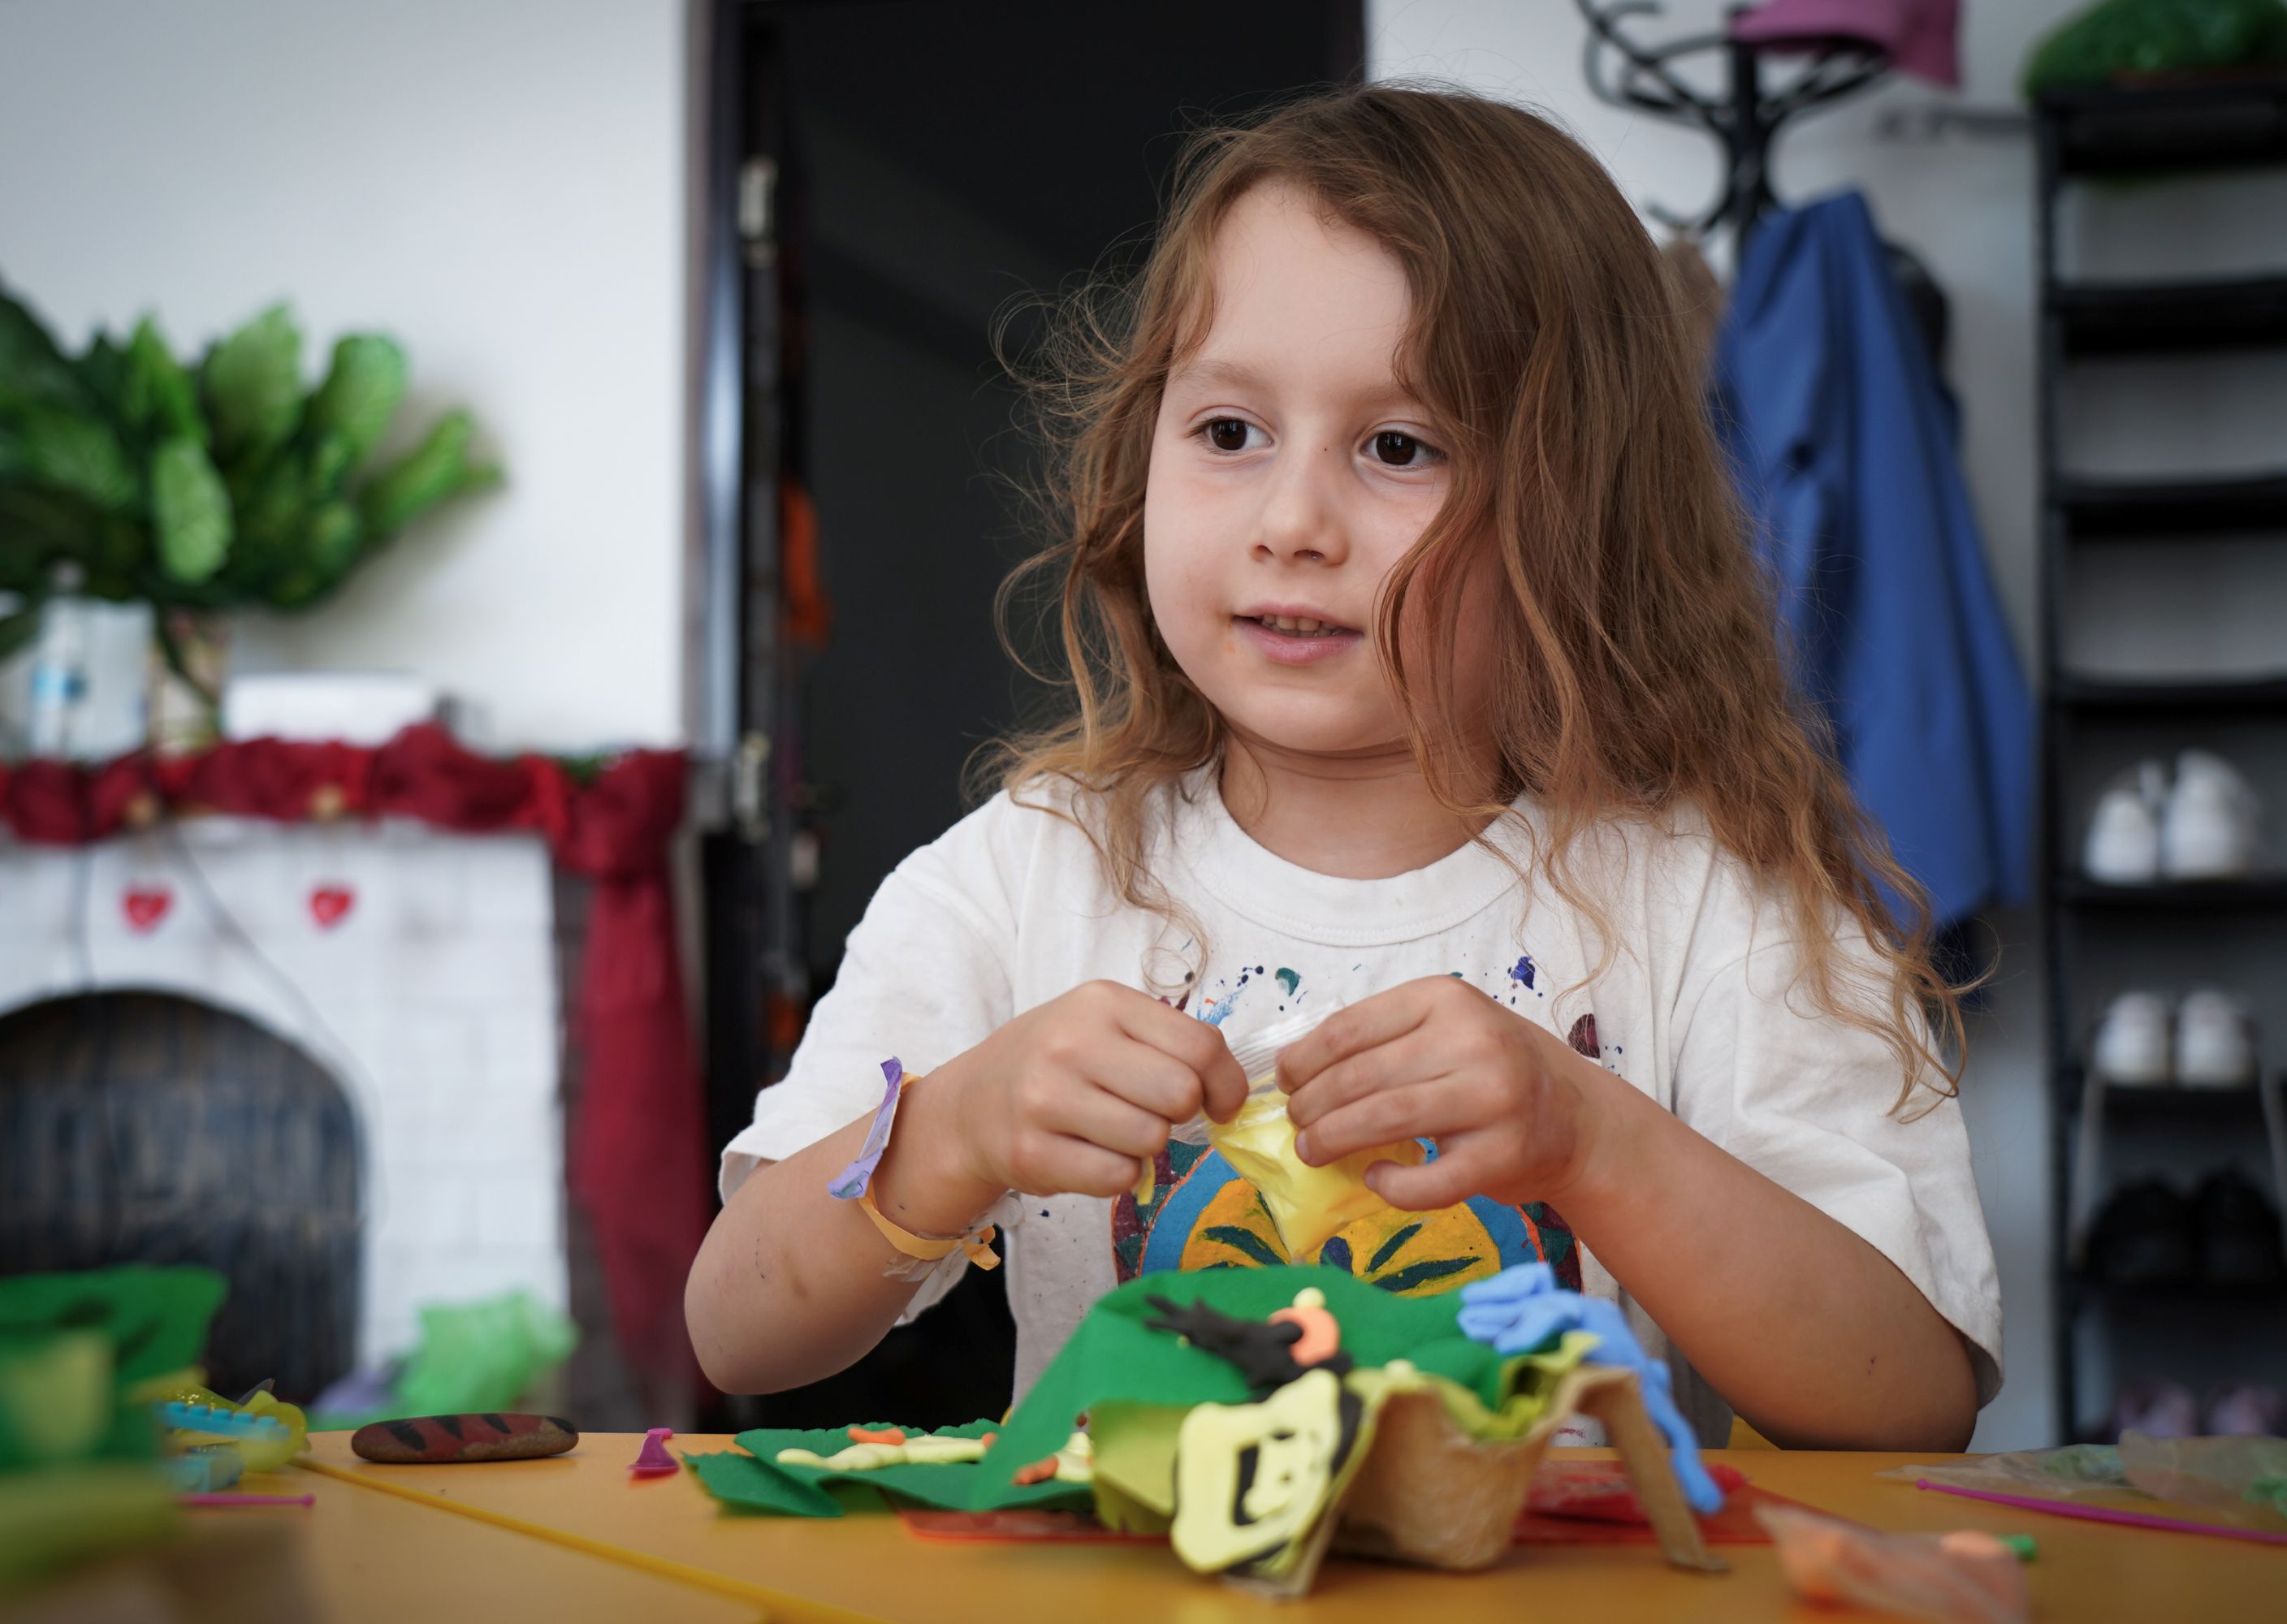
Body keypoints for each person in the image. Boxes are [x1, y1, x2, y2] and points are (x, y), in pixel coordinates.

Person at [685, 84, 1999, 1451]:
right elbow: (740, 1330)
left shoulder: (1712, 898)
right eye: (1229, 433)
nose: (1293, 521)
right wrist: (950, 1133)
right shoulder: (1030, 875)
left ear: (1582, 512)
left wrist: (1594, 1142)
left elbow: (1908, 1405)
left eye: (1398, 447)